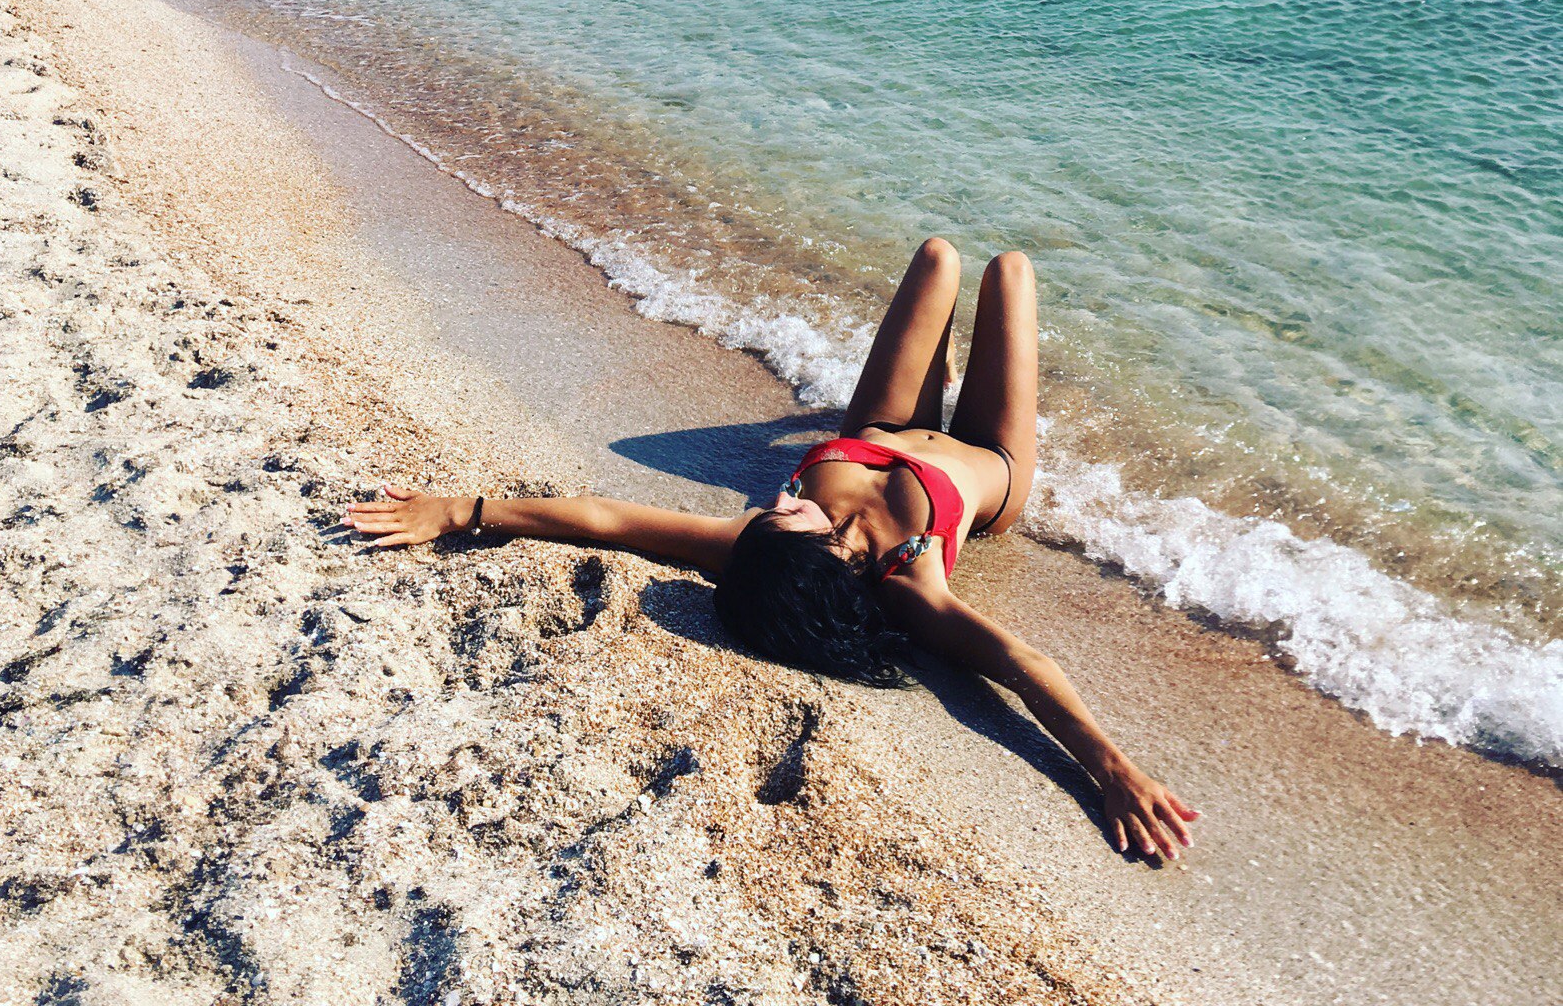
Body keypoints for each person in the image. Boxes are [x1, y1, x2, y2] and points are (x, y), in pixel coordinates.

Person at [344, 240, 1200, 861]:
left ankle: (905, 382)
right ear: (822, 561)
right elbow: (1022, 666)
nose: (778, 501)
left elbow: (605, 518)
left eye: (779, 508)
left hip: (874, 429)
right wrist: (1113, 771)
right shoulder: (913, 584)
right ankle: (958, 378)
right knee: (1009, 269)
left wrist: (464, 510)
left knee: (938, 256)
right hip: (992, 463)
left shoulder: (752, 547)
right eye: (786, 515)